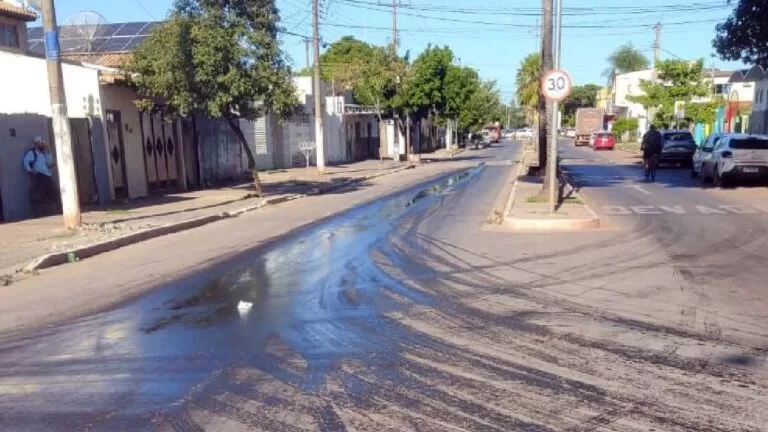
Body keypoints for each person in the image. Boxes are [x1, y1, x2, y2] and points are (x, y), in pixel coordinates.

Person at [22, 137, 58, 215]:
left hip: (47, 175)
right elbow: (25, 162)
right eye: (40, 143)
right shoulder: (32, 153)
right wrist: (31, 171)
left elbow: (50, 163)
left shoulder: (44, 153)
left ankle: (52, 210)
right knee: (40, 194)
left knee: (52, 191)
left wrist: (48, 152)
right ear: (36, 144)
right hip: (39, 176)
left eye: (42, 144)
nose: (41, 145)